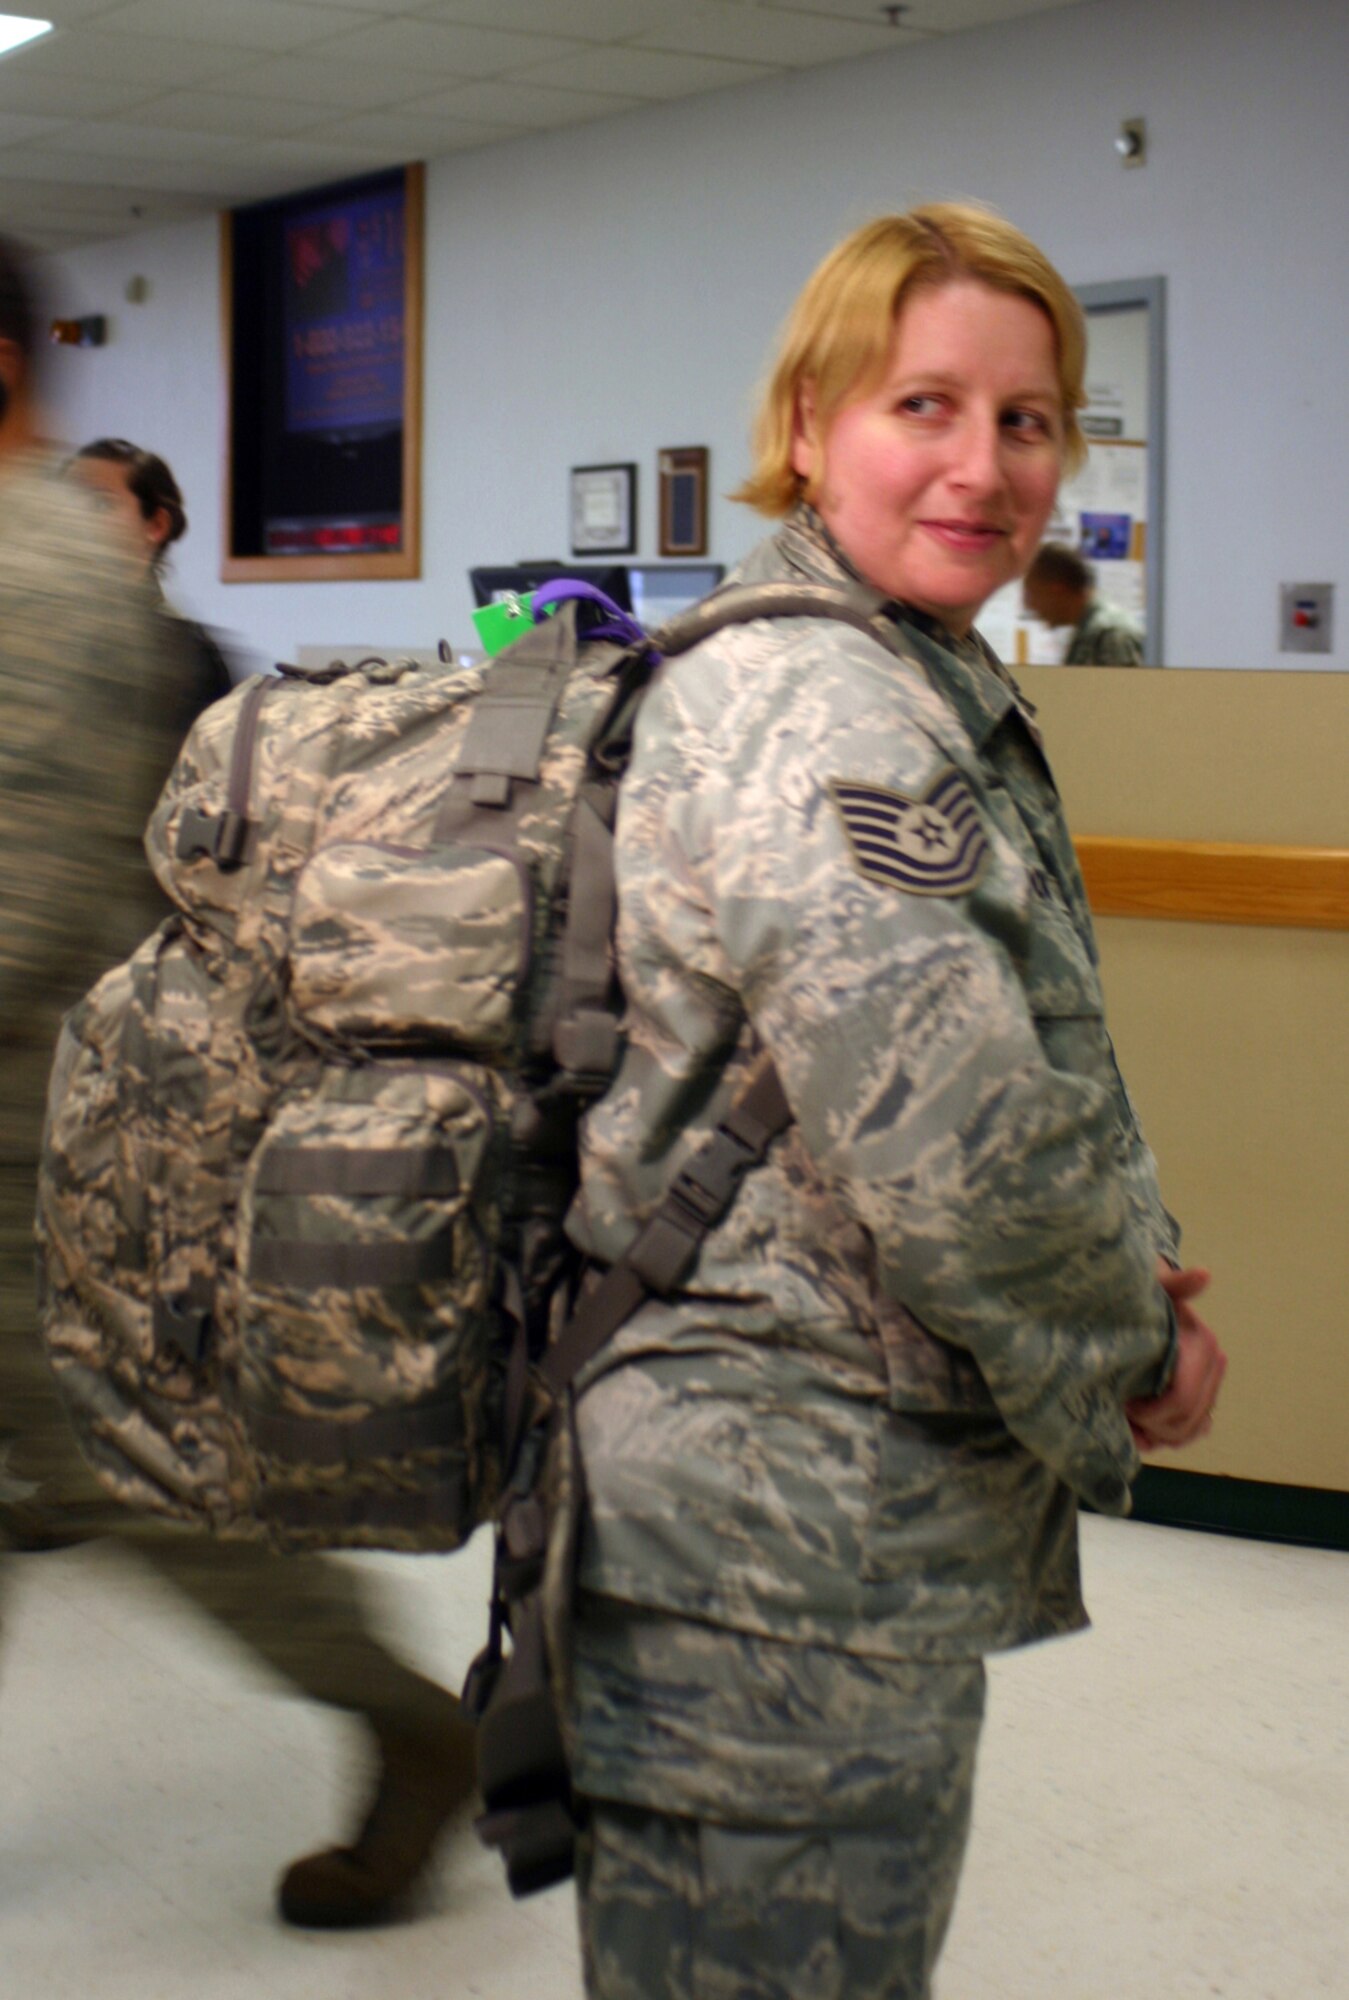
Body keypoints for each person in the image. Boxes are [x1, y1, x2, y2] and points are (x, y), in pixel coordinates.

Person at [560, 205, 1225, 2000]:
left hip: (783, 1523)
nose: (981, 467)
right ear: (806, 424)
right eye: (920, 405)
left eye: (1026, 420)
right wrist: (1131, 1344)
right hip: (774, 1543)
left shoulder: (895, 664)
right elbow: (958, 1142)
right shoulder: (819, 703)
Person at [0, 239, 474, 1931]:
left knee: (124, 1475)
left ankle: (409, 1723)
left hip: (36, 1138)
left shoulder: (41, 575)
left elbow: (23, 907)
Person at [71, 436, 236, 747]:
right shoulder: (35, 629)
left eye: (100, 503)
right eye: (64, 504)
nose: (73, 520)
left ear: (156, 525)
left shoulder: (189, 657)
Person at [1022, 538, 1145, 664]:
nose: (1030, 606)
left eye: (1033, 594)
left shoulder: (1111, 635)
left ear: (1057, 590)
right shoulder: (1088, 632)